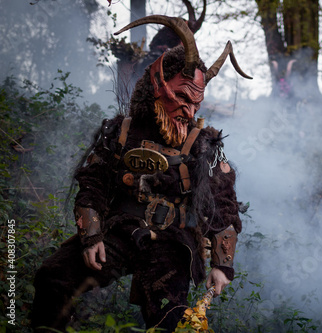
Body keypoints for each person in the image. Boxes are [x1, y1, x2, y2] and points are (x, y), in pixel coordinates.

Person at [31, 15, 251, 332]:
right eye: (181, 97)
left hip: (172, 243)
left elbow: (224, 205)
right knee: (53, 278)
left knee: (168, 319)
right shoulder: (120, 132)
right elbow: (92, 183)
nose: (188, 111)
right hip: (118, 233)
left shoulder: (204, 144)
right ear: (158, 86)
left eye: (196, 102)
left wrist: (222, 265)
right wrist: (91, 235)